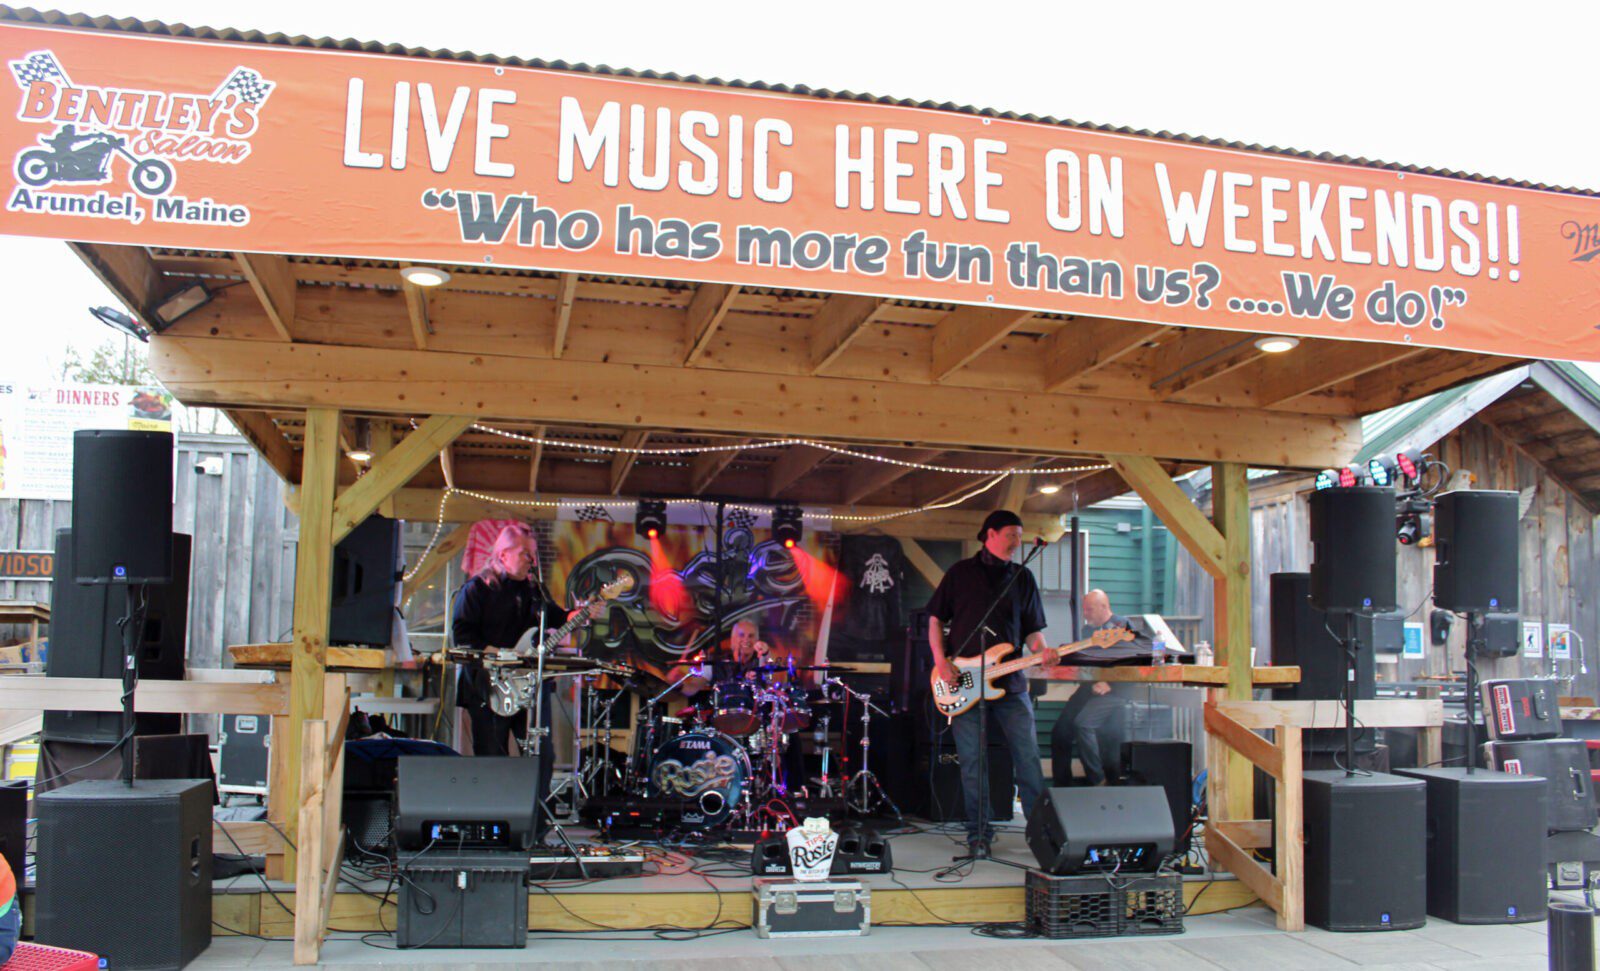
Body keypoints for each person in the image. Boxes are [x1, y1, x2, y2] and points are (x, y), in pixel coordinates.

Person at [926, 510, 1055, 855]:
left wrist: (1043, 652)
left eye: (1020, 536)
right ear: (990, 534)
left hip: (1010, 683)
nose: (1017, 542)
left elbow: (1033, 631)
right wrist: (941, 661)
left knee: (1028, 757)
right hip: (965, 682)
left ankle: (1042, 833)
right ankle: (978, 834)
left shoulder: (1023, 577)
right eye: (1012, 535)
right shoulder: (960, 573)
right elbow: (935, 618)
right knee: (972, 761)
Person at [452, 523, 599, 757]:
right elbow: (462, 635)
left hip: (529, 685)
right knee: (491, 754)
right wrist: (500, 655)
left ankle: (536, 783)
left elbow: (558, 617)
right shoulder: (477, 589)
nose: (531, 560)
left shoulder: (534, 590)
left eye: (533, 553)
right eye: (525, 553)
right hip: (489, 685)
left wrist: (582, 614)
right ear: (503, 554)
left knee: (540, 754)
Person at [1050, 589, 1132, 786]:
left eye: (1089, 609)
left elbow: (1133, 660)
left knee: (1084, 725)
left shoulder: (1123, 625)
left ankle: (1099, 781)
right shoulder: (1087, 631)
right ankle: (1062, 788)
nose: (1085, 614)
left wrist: (1110, 683)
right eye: (1084, 609)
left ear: (1104, 607)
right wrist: (1061, 655)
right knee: (1060, 732)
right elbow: (1083, 659)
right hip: (1089, 687)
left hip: (1114, 690)